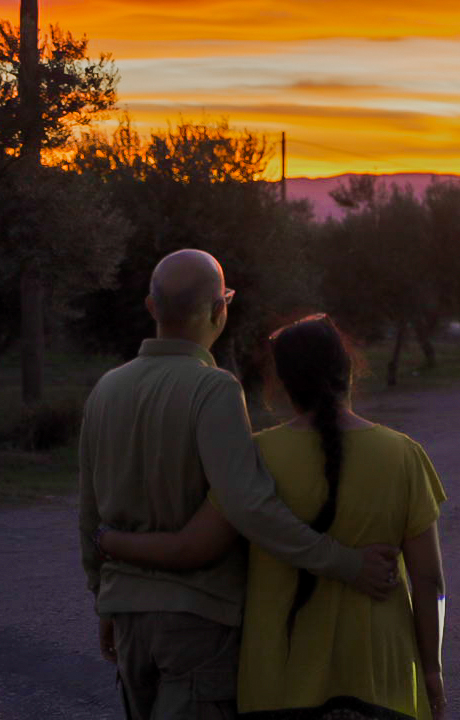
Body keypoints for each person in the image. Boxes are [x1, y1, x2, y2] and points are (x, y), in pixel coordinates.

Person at [79, 250, 401, 720]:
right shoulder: (214, 389)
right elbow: (249, 506)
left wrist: (104, 601)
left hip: (127, 616)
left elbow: (89, 516)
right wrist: (346, 564)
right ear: (219, 310)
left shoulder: (105, 390)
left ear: (151, 306)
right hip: (197, 624)